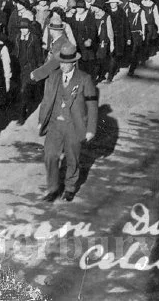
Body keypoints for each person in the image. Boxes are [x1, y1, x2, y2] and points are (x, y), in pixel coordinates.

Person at [33, 43, 97, 202]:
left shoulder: (84, 79)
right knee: (50, 156)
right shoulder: (53, 77)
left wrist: (91, 129)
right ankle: (53, 188)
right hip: (55, 124)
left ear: (74, 62)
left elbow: (92, 105)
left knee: (72, 158)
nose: (63, 66)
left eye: (66, 63)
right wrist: (42, 121)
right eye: (61, 62)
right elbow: (46, 101)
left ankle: (70, 187)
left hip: (74, 126)